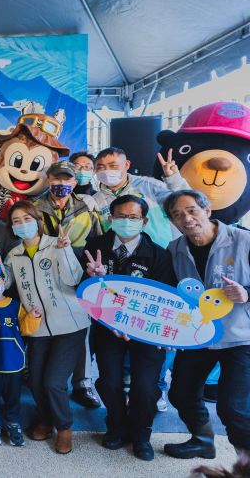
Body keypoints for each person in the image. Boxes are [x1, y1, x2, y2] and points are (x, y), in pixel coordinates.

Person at [81, 194, 177, 461]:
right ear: (111, 219)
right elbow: (82, 291)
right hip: (106, 328)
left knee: (145, 388)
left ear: (144, 221)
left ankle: (141, 433)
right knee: (109, 382)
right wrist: (92, 278)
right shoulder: (95, 247)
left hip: (146, 332)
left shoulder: (158, 254)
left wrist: (141, 326)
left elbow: (164, 299)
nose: (126, 222)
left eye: (133, 217)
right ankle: (117, 424)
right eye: (120, 217)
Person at [163, 189, 250, 460]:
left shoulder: (244, 240)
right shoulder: (175, 249)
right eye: (177, 215)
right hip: (199, 335)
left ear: (207, 210)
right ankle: (202, 440)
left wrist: (247, 292)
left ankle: (245, 462)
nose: (186, 219)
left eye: (191, 210)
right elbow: (170, 294)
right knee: (181, 393)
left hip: (241, 336)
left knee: (233, 408)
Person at [3, 200, 88, 454]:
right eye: (16, 221)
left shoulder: (56, 244)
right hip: (38, 326)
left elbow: (74, 279)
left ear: (38, 221)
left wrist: (64, 251)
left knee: (53, 381)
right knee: (37, 380)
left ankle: (64, 429)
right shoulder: (14, 255)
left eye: (27, 219)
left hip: (70, 324)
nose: (22, 225)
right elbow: (5, 283)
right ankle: (45, 420)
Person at [32, 160, 102, 409]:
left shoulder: (85, 209)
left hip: (78, 272)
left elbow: (97, 243)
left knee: (81, 325)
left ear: (75, 181)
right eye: (56, 179)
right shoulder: (34, 208)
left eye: (67, 179)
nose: (61, 184)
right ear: (48, 180)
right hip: (44, 271)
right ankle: (39, 376)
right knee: (44, 321)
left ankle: (83, 383)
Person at [0, 257, 41, 447]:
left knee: (13, 399)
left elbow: (25, 329)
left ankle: (14, 425)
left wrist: (33, 318)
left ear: (4, 282)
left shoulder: (15, 305)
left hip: (14, 363)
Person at [92, 146, 189, 248]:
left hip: (164, 251)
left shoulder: (149, 185)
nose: (107, 171)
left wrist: (174, 180)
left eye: (113, 166)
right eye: (101, 167)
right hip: (125, 257)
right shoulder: (96, 200)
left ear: (126, 165)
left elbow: (187, 202)